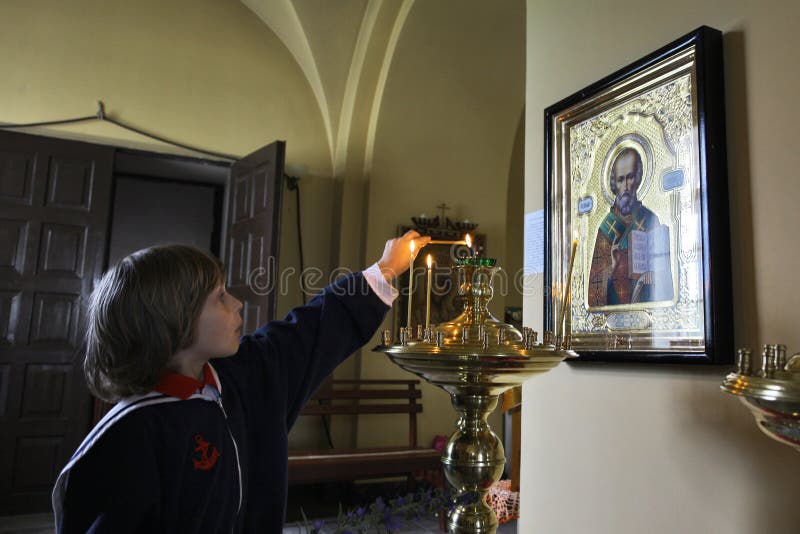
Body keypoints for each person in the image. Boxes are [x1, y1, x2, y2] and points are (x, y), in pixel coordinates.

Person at [52, 230, 429, 533]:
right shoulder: (128, 437)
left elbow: (314, 329)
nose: (237, 304)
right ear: (172, 321)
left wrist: (386, 268)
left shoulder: (247, 376)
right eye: (219, 297)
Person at [588, 148, 672, 306]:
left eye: (630, 177)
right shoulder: (606, 228)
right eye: (620, 180)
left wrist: (654, 274)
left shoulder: (650, 219)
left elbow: (664, 279)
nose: (626, 186)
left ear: (638, 178)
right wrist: (611, 268)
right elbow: (595, 292)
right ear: (614, 184)